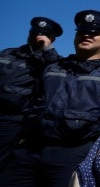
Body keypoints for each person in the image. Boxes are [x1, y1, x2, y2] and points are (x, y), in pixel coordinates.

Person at [2, 10, 100, 187]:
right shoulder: (53, 68)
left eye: (94, 33)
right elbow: (33, 103)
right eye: (82, 32)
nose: (87, 35)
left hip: (74, 155)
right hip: (30, 151)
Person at [0, 16, 63, 171]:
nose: (37, 37)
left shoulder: (51, 62)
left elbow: (59, 72)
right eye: (34, 32)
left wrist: (46, 49)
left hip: (14, 119)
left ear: (52, 39)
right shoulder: (8, 54)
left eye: (43, 35)